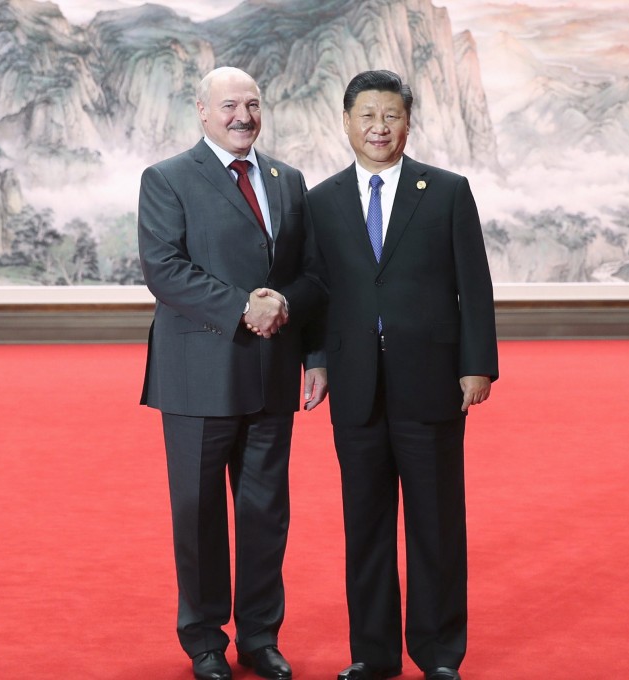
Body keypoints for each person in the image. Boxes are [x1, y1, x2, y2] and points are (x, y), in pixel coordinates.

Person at [304, 70, 499, 680]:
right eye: (367, 116)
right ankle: (373, 654)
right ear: (346, 122)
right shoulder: (322, 200)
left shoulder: (445, 191)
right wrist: (315, 361)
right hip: (356, 387)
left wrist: (476, 365)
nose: (379, 128)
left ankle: (440, 655)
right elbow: (316, 290)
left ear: (407, 122)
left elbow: (475, 286)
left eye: (390, 116)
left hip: (431, 382)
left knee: (436, 526)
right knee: (365, 527)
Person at [138, 66, 327, 680]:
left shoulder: (288, 180)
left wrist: (315, 353)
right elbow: (164, 269)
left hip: (273, 374)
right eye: (228, 106)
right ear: (201, 110)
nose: (242, 115)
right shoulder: (167, 179)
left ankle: (260, 636)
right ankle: (204, 641)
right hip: (197, 375)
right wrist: (245, 306)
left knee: (267, 512)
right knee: (197, 513)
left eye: (251, 103)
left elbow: (312, 275)